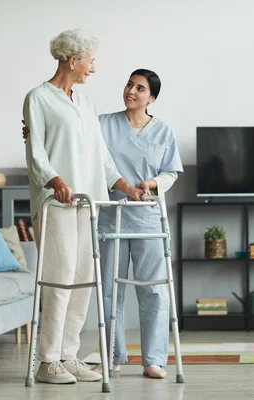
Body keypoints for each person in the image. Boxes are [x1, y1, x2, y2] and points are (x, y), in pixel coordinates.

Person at [22, 69, 183, 379]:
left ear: (152, 97)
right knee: (108, 291)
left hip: (147, 216)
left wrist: (152, 183)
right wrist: (34, 131)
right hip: (107, 214)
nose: (131, 91)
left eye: (140, 88)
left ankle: (154, 360)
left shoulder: (164, 131)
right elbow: (71, 135)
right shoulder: (102, 122)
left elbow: (171, 172)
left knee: (153, 291)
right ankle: (113, 356)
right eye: (129, 84)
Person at [23, 28, 143, 385]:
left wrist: (124, 186)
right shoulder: (38, 98)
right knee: (59, 281)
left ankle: (68, 355)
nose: (94, 68)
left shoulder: (84, 102)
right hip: (57, 203)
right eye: (90, 61)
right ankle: (47, 362)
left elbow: (100, 154)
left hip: (88, 203)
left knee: (82, 280)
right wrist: (55, 181)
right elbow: (36, 152)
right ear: (73, 60)